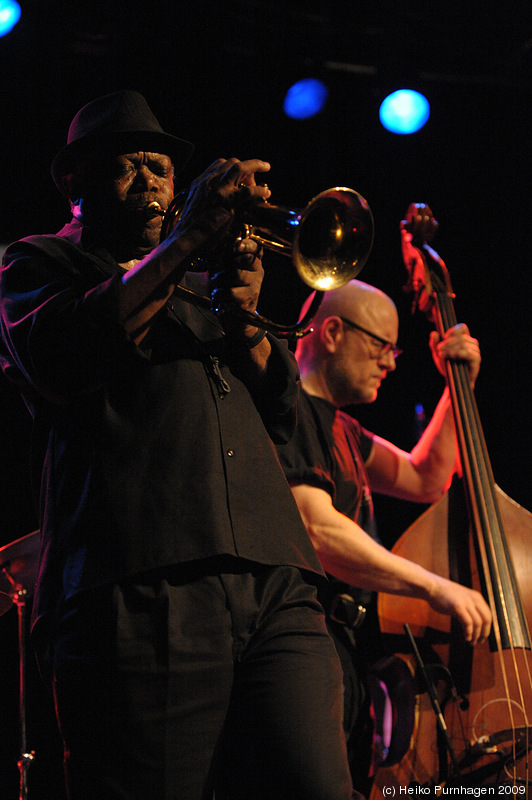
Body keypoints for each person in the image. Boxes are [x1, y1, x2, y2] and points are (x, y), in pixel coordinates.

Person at [0, 91, 358, 800]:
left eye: (161, 169)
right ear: (77, 185)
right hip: (138, 587)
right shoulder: (36, 265)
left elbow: (285, 412)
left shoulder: (199, 283)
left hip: (276, 577)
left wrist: (244, 317)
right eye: (130, 166)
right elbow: (69, 354)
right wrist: (187, 240)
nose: (152, 182)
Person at [276, 278, 492, 794]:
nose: (391, 363)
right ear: (331, 332)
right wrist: (436, 587)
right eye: (382, 347)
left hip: (345, 655)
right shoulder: (292, 411)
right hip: (302, 651)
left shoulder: (346, 430)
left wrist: (457, 385)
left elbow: (427, 476)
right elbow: (318, 527)